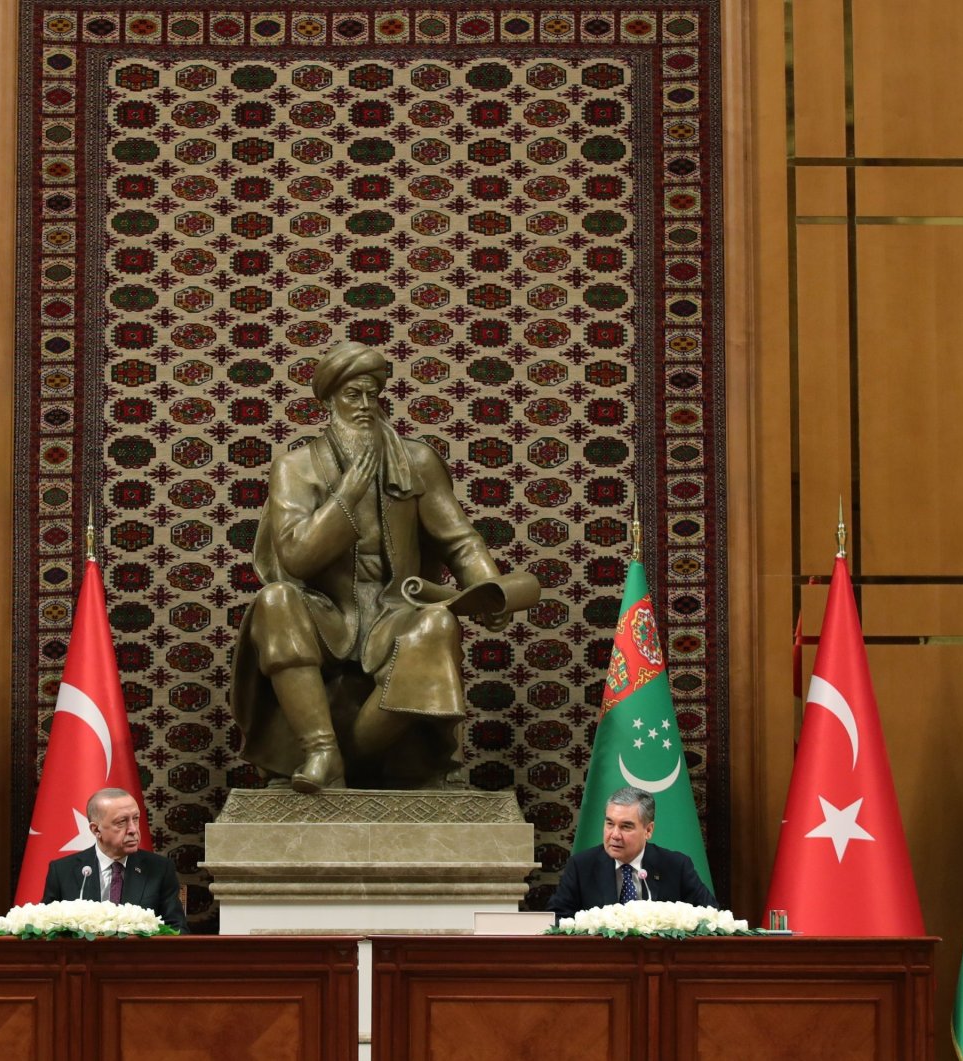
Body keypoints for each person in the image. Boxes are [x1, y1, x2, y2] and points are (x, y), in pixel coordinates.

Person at [231, 340, 521, 792]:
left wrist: (489, 587)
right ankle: (322, 751)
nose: (364, 405)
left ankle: (367, 759)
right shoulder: (296, 466)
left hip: (393, 610)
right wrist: (346, 496)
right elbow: (296, 556)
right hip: (326, 613)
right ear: (328, 400)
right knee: (275, 600)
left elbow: (461, 542)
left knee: (436, 628)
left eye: (372, 393)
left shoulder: (417, 460)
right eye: (352, 394)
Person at [548, 786, 716, 920]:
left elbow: (711, 916)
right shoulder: (581, 866)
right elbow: (557, 918)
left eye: (626, 826)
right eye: (609, 824)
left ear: (648, 830)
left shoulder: (676, 866)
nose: (614, 835)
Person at [41, 788, 187, 931]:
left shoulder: (160, 869)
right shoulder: (62, 871)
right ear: (96, 830)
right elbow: (46, 930)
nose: (133, 829)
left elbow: (177, 930)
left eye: (135, 819)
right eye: (121, 822)